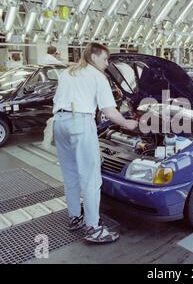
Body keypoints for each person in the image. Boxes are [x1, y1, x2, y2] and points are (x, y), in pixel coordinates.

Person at [53, 43, 138, 243]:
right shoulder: (97, 77)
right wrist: (128, 123)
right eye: (105, 59)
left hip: (59, 123)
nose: (107, 64)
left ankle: (75, 217)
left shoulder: (68, 72)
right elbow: (109, 111)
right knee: (91, 179)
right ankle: (93, 228)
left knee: (71, 174)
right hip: (80, 123)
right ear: (93, 56)